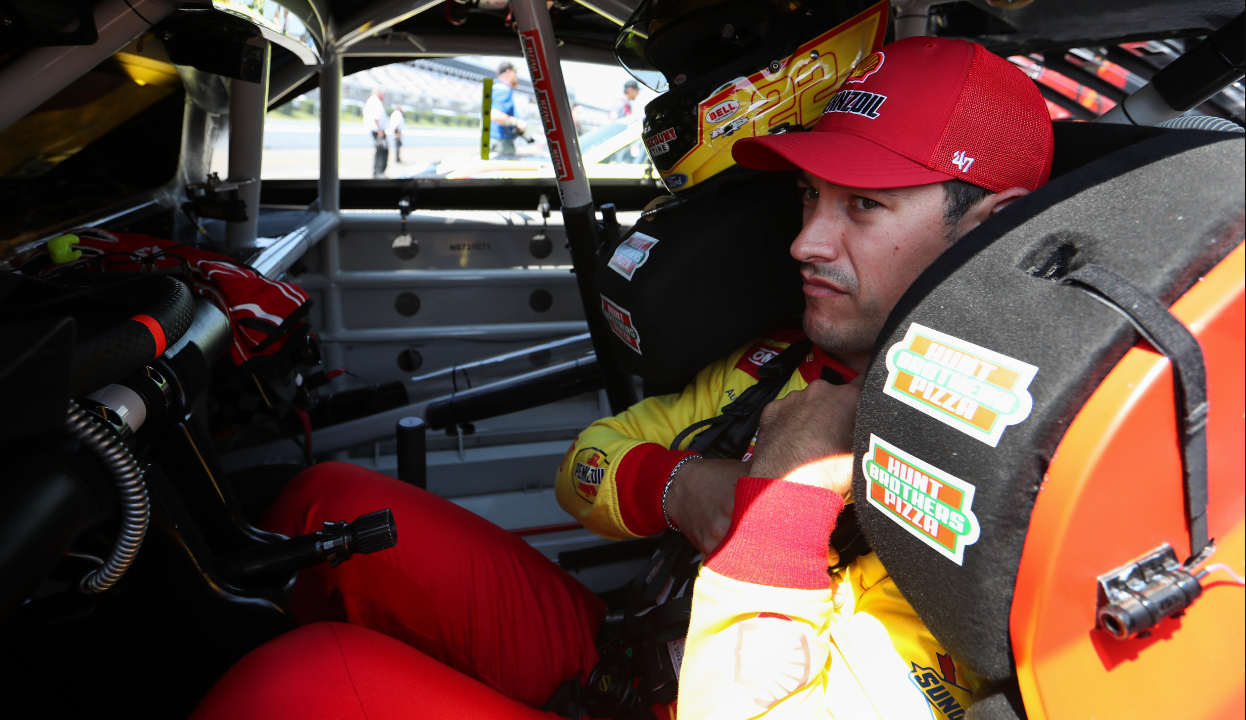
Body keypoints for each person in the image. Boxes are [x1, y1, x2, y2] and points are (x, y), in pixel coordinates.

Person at [190, 37, 1053, 720]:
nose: (805, 244)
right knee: (330, 499)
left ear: (990, 230)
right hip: (628, 655)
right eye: (807, 199)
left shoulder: (996, 473)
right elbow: (588, 464)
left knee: (293, 687)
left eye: (863, 205)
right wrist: (685, 487)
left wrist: (772, 521)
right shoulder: (781, 361)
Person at [490, 61, 527, 157]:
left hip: (500, 141)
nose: (516, 76)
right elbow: (495, 115)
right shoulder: (503, 89)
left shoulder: (498, 88)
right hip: (502, 143)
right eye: (515, 73)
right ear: (508, 72)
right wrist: (517, 122)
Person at [363, 88, 389, 178]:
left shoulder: (374, 101)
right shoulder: (375, 101)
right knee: (381, 151)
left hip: (378, 130)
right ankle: (378, 172)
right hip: (378, 131)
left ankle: (378, 171)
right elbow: (376, 117)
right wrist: (380, 131)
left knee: (381, 151)